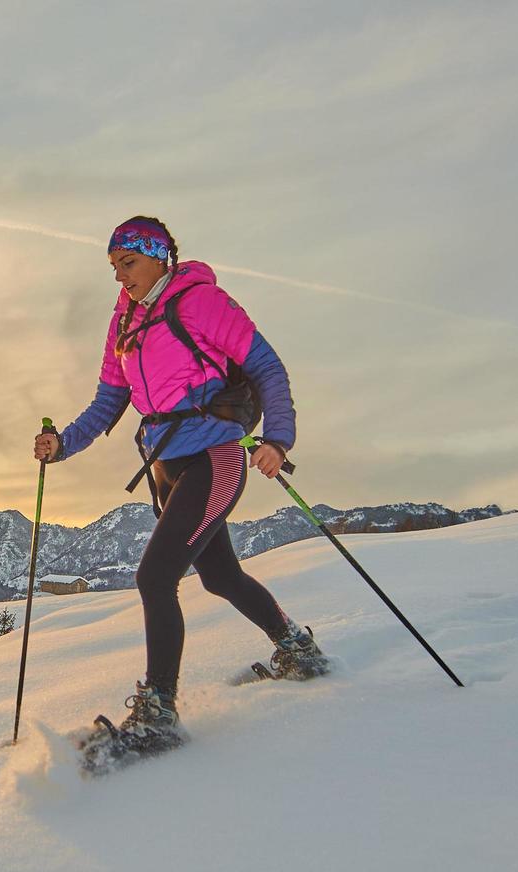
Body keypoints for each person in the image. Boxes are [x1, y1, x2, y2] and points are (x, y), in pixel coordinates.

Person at [34, 215, 328, 739]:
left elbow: (267, 368)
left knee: (155, 577)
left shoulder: (202, 301)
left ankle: (159, 712)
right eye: (113, 267)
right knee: (219, 576)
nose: (119, 277)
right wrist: (62, 447)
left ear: (159, 258)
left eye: (128, 264)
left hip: (215, 457)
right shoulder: (124, 321)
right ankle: (296, 649)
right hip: (165, 465)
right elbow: (109, 400)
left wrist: (278, 441)